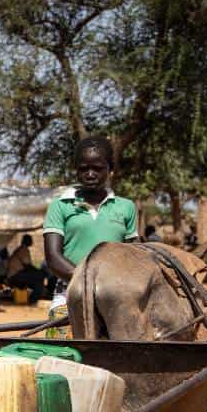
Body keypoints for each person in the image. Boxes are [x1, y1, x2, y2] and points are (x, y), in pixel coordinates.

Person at [43, 136, 139, 323]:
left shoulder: (126, 207)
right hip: (70, 292)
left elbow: (136, 255)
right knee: (64, 351)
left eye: (97, 168)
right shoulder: (61, 205)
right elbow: (53, 258)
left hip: (118, 296)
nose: (90, 174)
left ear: (111, 169)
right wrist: (89, 282)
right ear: (76, 170)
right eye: (83, 168)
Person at [7, 234, 48, 303]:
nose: (32, 241)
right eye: (30, 240)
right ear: (26, 241)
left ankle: (35, 298)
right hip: (15, 276)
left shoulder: (22, 249)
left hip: (16, 275)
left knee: (38, 281)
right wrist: (39, 272)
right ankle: (33, 299)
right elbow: (27, 266)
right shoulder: (23, 249)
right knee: (40, 276)